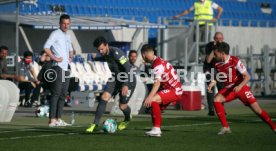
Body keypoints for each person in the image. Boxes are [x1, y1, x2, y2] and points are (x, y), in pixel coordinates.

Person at [208, 42, 276, 135]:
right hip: (229, 89)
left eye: (215, 54)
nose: (214, 56)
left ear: (222, 53)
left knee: (257, 111)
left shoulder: (235, 61)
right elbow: (219, 76)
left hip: (241, 87)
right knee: (216, 99)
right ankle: (225, 127)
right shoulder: (216, 63)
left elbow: (247, 76)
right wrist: (213, 82)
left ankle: (274, 127)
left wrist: (239, 86)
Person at [86, 37, 136, 133]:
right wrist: (95, 58)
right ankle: (95, 124)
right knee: (104, 97)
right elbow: (104, 58)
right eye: (98, 50)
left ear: (106, 45)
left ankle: (127, 119)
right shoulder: (105, 54)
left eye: (102, 49)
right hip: (115, 79)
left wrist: (125, 84)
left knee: (122, 106)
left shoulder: (116, 53)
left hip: (128, 79)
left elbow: (128, 68)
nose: (100, 51)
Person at [141, 44, 183, 137]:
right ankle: (155, 129)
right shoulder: (158, 61)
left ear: (143, 55)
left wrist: (149, 97)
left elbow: (157, 83)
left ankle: (156, 129)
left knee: (152, 100)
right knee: (154, 107)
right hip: (172, 89)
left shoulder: (157, 64)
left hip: (174, 90)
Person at [44, 14, 73, 127]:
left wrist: (71, 55)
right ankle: (52, 120)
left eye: (67, 24)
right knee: (56, 93)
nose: (66, 26)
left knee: (63, 94)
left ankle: (58, 119)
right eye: (64, 23)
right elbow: (46, 47)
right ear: (59, 23)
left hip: (66, 68)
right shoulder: (55, 33)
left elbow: (70, 49)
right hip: (58, 67)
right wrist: (54, 58)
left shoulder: (67, 35)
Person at [204, 32, 224, 116]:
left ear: (223, 39)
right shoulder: (209, 46)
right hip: (209, 68)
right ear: (214, 38)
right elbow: (209, 60)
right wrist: (214, 48)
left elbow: (222, 59)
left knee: (221, 89)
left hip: (220, 69)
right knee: (210, 88)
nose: (219, 40)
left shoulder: (225, 46)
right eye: (217, 38)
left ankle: (221, 109)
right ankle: (211, 109)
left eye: (220, 38)